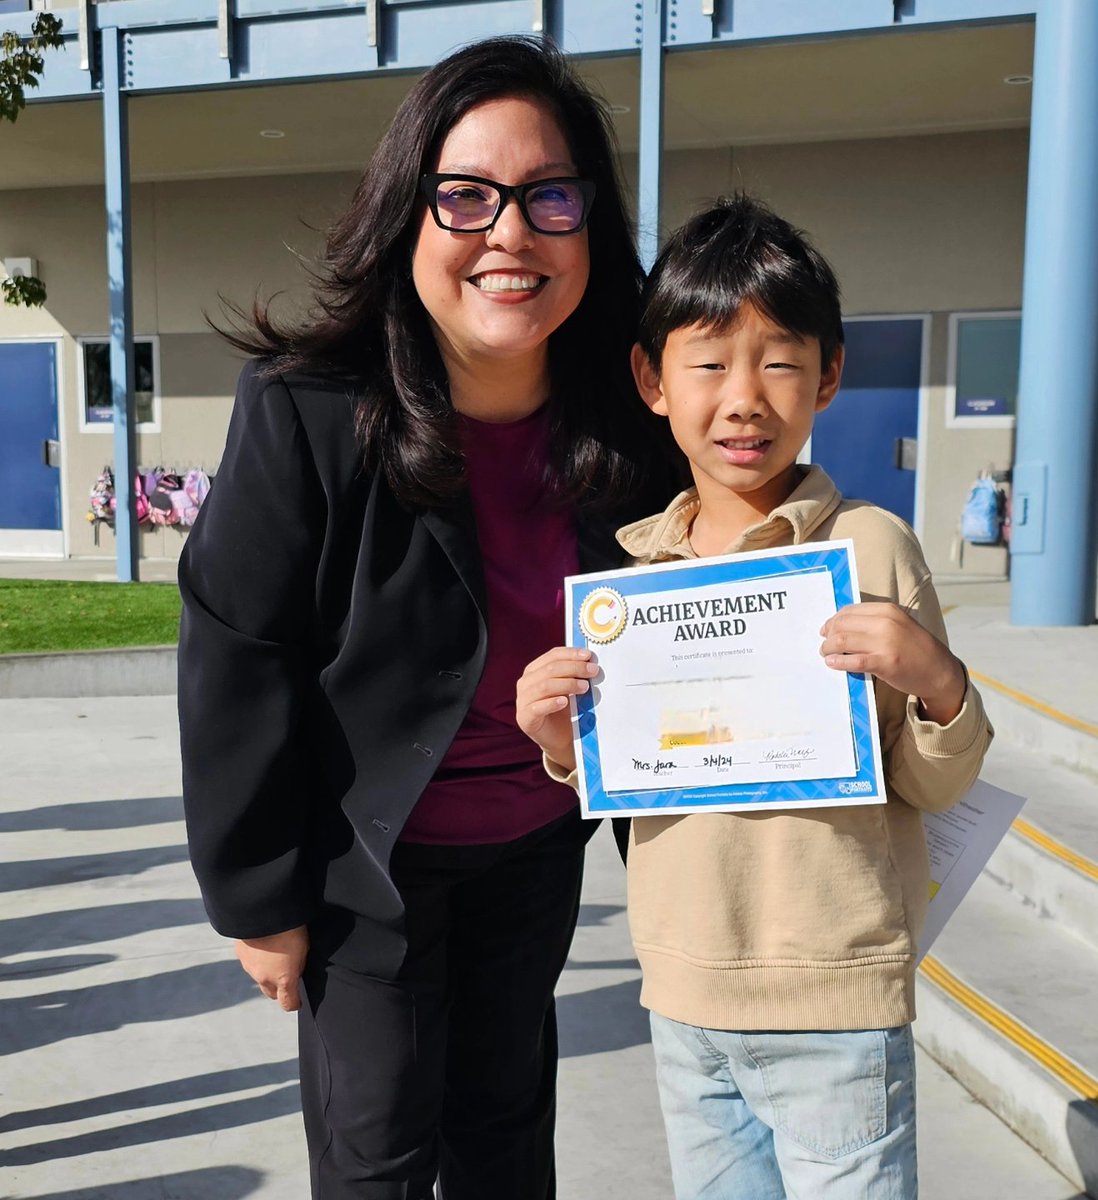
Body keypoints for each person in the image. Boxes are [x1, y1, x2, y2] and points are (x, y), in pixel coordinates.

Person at [177, 35, 676, 1200]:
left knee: (505, 1140)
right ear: (410, 217)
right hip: (368, 874)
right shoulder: (310, 412)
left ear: (590, 224)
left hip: (533, 855)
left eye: (550, 197)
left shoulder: (634, 425)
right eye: (468, 197)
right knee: (378, 1156)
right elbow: (239, 653)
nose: (511, 233)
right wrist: (259, 901)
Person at [516, 196, 994, 1200]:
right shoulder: (634, 578)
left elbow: (932, 781)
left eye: (779, 362)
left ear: (828, 377)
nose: (744, 398)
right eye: (708, 363)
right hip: (685, 995)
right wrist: (562, 738)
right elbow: (624, 782)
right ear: (651, 381)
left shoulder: (869, 548)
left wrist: (939, 685)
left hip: (836, 1002)